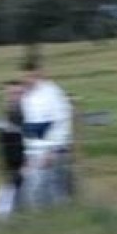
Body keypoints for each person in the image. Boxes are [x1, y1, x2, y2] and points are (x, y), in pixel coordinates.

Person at [20, 55, 73, 207]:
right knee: (33, 190)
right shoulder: (27, 97)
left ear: (39, 73)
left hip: (52, 149)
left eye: (32, 75)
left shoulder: (52, 92)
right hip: (34, 150)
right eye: (26, 76)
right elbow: (28, 126)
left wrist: (53, 149)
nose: (29, 79)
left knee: (53, 189)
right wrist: (27, 154)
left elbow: (61, 121)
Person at [0, 80, 26, 220]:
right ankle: (2, 218)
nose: (14, 97)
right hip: (11, 162)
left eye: (18, 93)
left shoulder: (27, 114)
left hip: (27, 161)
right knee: (9, 191)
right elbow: (1, 143)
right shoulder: (4, 116)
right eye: (11, 93)